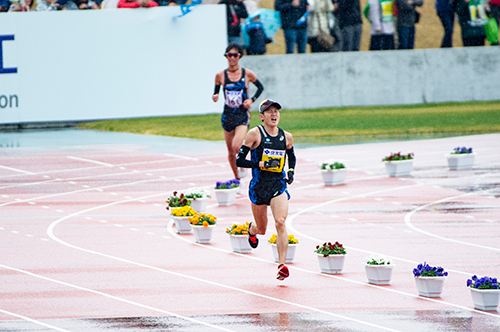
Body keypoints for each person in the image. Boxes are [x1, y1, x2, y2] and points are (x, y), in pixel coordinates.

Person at [236, 99, 296, 281]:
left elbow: (291, 156)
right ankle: (251, 230)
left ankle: (282, 266)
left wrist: (291, 171)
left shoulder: (286, 136)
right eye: (269, 112)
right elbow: (240, 160)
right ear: (262, 116)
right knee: (262, 229)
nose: (274, 114)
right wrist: (259, 163)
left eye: (276, 111)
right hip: (259, 187)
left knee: (280, 222)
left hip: (277, 184)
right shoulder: (254, 134)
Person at [212, 43, 265, 181]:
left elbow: (260, 87)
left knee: (236, 146)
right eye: (229, 55)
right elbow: (216, 92)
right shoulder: (220, 75)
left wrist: (251, 100)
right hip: (227, 115)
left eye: (235, 55)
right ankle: (237, 179)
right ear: (226, 57)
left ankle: (243, 162)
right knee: (230, 151)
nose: (232, 58)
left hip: (242, 115)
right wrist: (215, 96)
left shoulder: (246, 73)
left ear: (239, 56)